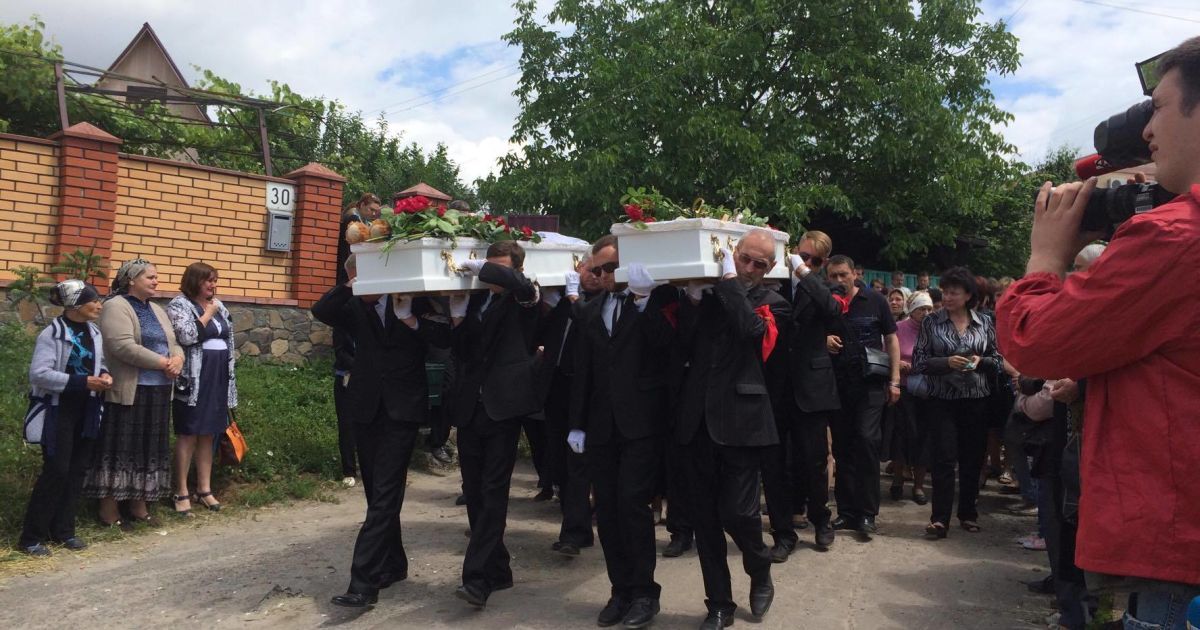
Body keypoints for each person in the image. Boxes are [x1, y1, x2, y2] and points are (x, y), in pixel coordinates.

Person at [997, 37, 1200, 629]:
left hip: (1179, 540)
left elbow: (1036, 341)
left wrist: (1045, 256)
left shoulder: (1175, 237)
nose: (1146, 130)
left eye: (1157, 108)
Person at [311, 267, 450, 608]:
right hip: (366, 407)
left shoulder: (413, 299)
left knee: (386, 493)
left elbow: (444, 338)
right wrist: (350, 287)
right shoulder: (355, 303)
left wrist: (410, 321)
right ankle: (394, 563)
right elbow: (322, 311)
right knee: (377, 493)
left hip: (403, 408)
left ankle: (363, 583)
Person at [674, 229, 791, 629]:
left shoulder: (774, 302)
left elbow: (751, 332)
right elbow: (681, 345)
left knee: (739, 513)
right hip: (697, 420)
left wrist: (728, 283)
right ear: (732, 253)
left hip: (743, 422)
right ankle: (719, 605)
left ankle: (759, 566)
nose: (750, 268)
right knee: (705, 519)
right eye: (744, 259)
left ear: (769, 269)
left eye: (760, 264)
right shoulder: (708, 298)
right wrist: (692, 300)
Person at [568, 235, 678, 628]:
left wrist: (645, 300)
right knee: (608, 510)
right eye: (597, 269)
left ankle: (645, 592)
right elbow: (583, 372)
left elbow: (667, 349)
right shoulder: (590, 310)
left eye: (610, 268)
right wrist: (577, 424)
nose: (602, 276)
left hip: (641, 424)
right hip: (601, 425)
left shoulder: (657, 300)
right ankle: (620, 590)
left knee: (632, 505)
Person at [446, 240, 543, 608]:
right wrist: (458, 319)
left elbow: (521, 287)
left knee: (492, 491)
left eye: (500, 268)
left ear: (517, 269)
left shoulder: (525, 295)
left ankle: (477, 579)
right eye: (489, 267)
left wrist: (484, 269)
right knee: (473, 490)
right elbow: (464, 351)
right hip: (472, 407)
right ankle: (499, 570)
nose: (492, 276)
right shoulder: (477, 300)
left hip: (504, 408)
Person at [84, 259, 183, 528]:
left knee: (147, 449)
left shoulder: (157, 309)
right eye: (150, 277)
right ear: (131, 279)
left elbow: (174, 343)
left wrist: (177, 359)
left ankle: (139, 506)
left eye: (156, 277)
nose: (155, 281)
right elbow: (122, 346)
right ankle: (109, 509)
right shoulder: (116, 306)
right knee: (120, 448)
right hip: (129, 390)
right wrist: (163, 363)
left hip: (159, 391)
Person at [18, 280, 112, 556]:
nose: (99, 305)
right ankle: (31, 537)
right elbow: (39, 374)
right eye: (93, 301)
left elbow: (99, 362)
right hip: (58, 410)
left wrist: (104, 375)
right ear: (76, 305)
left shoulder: (94, 332)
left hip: (88, 408)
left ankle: (63, 531)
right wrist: (83, 382)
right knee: (57, 470)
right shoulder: (53, 334)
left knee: (77, 470)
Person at [911, 266, 1001, 539]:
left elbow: (998, 360)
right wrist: (946, 362)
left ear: (968, 295)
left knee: (972, 459)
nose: (947, 297)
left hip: (977, 400)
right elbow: (919, 362)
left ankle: (968, 513)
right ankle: (939, 519)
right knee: (944, 459)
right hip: (943, 401)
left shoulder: (985, 322)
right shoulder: (931, 322)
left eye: (954, 293)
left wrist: (980, 361)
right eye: (945, 292)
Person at [768, 231, 841, 553]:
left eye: (814, 260)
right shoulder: (776, 282)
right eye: (803, 256)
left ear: (823, 263)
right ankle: (783, 533)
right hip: (778, 383)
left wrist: (803, 273)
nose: (807, 262)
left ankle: (821, 519)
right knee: (777, 463)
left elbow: (832, 311)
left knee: (813, 461)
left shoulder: (826, 286)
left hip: (812, 387)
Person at [825, 255, 901, 538]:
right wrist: (823, 340)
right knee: (842, 447)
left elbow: (891, 339)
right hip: (837, 385)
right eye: (833, 276)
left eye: (843, 274)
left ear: (855, 273)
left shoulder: (875, 301)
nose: (839, 280)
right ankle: (846, 512)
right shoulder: (826, 303)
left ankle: (868, 513)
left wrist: (895, 380)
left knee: (867, 442)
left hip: (870, 384)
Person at [166, 262, 237, 516]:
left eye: (215, 280)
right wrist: (207, 314)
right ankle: (181, 490)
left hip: (218, 376)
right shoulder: (179, 305)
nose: (212, 285)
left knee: (208, 433)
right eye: (208, 280)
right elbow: (186, 336)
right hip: (194, 378)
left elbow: (228, 338)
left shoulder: (219, 305)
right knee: (189, 433)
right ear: (194, 281)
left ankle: (204, 489)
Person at [538, 258, 594, 557]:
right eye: (589, 269)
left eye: (600, 271)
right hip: (556, 387)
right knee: (558, 460)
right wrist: (545, 299)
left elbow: (589, 326)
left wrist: (573, 298)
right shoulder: (564, 301)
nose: (594, 276)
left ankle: (574, 532)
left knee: (578, 462)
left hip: (583, 390)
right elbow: (543, 333)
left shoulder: (598, 303)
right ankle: (574, 524)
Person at [888, 290, 933, 505]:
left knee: (924, 438)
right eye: (921, 309)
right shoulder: (898, 328)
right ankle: (898, 480)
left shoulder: (935, 330)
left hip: (926, 392)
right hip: (904, 390)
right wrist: (897, 364)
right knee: (900, 437)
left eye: (929, 309)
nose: (925, 313)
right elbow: (885, 352)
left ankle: (918, 486)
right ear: (912, 310)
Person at [331, 255, 359, 487]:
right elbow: (340, 350)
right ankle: (349, 470)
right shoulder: (342, 309)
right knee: (347, 424)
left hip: (372, 377)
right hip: (347, 376)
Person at [336, 193, 381, 286]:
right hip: (346, 263)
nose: (373, 213)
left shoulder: (361, 217)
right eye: (371, 209)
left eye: (375, 211)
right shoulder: (353, 217)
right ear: (362, 205)